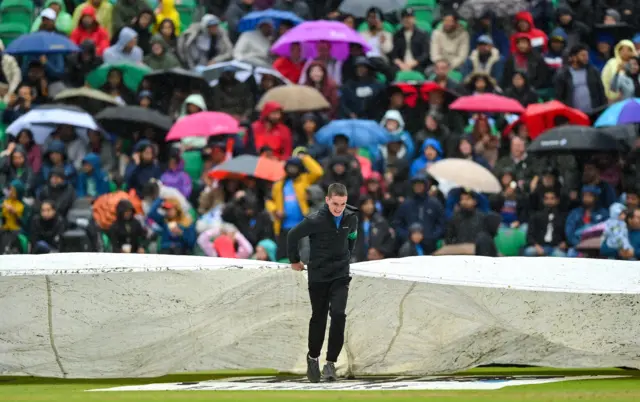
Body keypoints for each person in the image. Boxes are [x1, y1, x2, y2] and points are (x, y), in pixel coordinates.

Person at [286, 183, 358, 383]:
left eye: (342, 204)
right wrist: (294, 260)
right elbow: (292, 235)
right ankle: (313, 357)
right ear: (327, 200)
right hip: (318, 275)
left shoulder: (351, 217)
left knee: (338, 314)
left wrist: (347, 255)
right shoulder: (315, 220)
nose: (338, 208)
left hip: (341, 274)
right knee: (318, 317)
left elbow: (353, 236)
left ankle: (331, 363)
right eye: (335, 203)